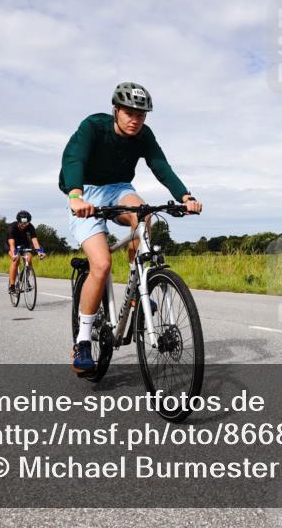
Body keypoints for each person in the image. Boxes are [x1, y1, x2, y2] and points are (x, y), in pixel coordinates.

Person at [60, 81, 202, 374]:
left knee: (144, 214)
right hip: (85, 191)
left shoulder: (143, 135)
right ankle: (83, 340)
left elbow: (160, 165)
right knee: (100, 264)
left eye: (142, 115)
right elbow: (74, 158)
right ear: (116, 110)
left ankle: (139, 286)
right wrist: (75, 195)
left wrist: (185, 197)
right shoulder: (93, 127)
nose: (136, 120)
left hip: (118, 188)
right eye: (129, 113)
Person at [8, 210, 45, 293]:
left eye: (26, 223)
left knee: (29, 259)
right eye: (22, 223)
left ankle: (24, 279)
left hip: (24, 244)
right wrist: (14, 254)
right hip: (11, 243)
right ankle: (12, 286)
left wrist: (40, 252)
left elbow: (35, 241)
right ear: (18, 221)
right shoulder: (12, 227)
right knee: (16, 259)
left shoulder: (30, 226)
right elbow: (12, 243)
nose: (24, 225)